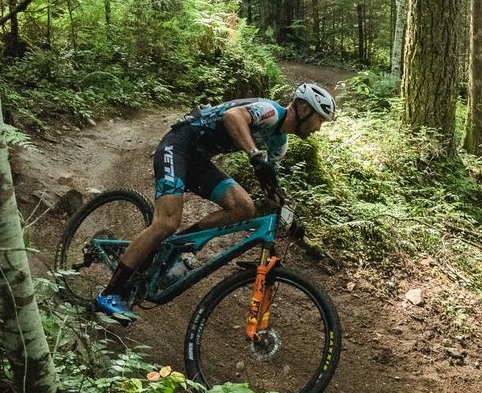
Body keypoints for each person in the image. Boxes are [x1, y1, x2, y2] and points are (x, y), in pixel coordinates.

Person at [95, 83, 337, 321]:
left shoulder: (279, 144)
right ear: (304, 109)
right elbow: (233, 116)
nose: (319, 128)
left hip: (199, 159)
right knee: (167, 222)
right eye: (320, 119)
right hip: (179, 144)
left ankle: (175, 245)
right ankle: (109, 293)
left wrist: (289, 216)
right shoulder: (271, 112)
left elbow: (269, 186)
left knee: (244, 207)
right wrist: (255, 157)